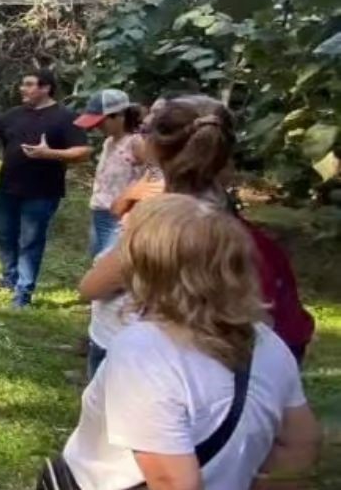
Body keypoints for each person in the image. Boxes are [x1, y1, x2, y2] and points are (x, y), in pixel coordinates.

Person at [52, 194, 321, 490]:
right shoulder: (267, 343)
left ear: (146, 266)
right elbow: (300, 443)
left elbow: (173, 482)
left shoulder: (143, 352)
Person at [80, 95, 315, 363]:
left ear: (157, 145)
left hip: (142, 350)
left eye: (145, 130)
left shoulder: (168, 221)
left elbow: (93, 286)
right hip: (228, 353)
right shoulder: (222, 214)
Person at [0, 70, 91, 308]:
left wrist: (49, 154)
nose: (22, 88)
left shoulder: (65, 117)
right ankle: (9, 279)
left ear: (46, 88)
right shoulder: (15, 114)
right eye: (23, 84)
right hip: (7, 188)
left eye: (28, 84)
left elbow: (83, 151)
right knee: (5, 235)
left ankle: (23, 293)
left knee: (30, 242)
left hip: (42, 192)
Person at [70, 89, 148, 379]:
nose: (97, 127)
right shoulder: (108, 142)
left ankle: (107, 358)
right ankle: (93, 341)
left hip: (122, 219)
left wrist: (132, 203)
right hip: (101, 214)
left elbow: (155, 176)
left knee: (110, 285)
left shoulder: (136, 143)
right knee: (97, 273)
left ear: (120, 116)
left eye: (102, 121)